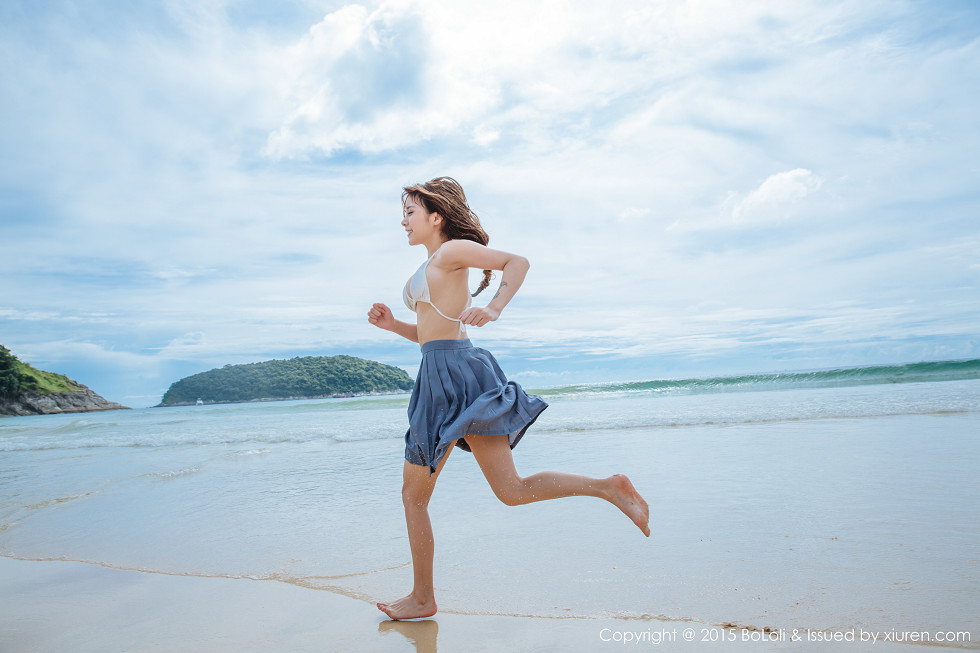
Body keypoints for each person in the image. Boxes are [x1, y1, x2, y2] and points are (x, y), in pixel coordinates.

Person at [367, 177, 650, 621]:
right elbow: (431, 335)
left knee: (413, 496)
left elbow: (516, 262)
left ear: (435, 217)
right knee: (509, 491)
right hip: (441, 370)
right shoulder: (432, 265)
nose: (403, 221)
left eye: (410, 213)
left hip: (456, 373)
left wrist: (495, 307)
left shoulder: (450, 251)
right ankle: (607, 487)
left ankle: (423, 598)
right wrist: (393, 328)